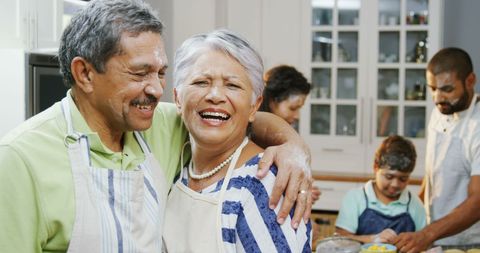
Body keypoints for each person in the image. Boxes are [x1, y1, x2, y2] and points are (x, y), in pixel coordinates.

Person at [0, 1, 312, 252]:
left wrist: (293, 148)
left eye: (161, 73)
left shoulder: (153, 122)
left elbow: (236, 115)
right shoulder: (21, 159)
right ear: (85, 74)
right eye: (139, 73)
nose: (154, 89)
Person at [162, 30, 312, 252]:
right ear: (177, 98)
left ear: (254, 106)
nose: (215, 95)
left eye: (232, 85)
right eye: (201, 82)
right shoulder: (176, 162)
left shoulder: (263, 183)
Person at [394, 48, 480, 252]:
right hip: (435, 236)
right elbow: (434, 171)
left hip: (469, 243)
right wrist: (411, 214)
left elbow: (478, 201)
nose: (437, 97)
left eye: (447, 89)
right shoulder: (441, 110)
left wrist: (427, 234)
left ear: (470, 81)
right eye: (432, 88)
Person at [335, 135, 426, 244]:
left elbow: (423, 242)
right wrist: (372, 239)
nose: (395, 184)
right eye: (389, 177)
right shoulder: (355, 199)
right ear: (375, 167)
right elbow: (339, 240)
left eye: (403, 179)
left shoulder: (415, 205)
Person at [260, 65, 321, 203]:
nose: (297, 115)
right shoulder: (256, 138)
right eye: (293, 108)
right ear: (272, 100)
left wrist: (301, 189)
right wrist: (298, 193)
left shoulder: (285, 135)